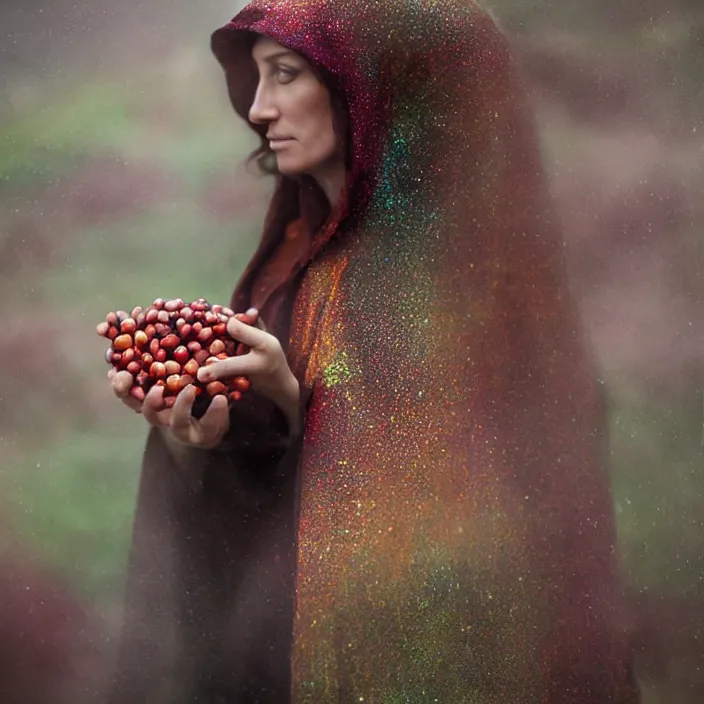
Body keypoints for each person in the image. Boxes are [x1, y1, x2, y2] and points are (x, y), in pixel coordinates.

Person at [106, 0, 640, 702]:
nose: (258, 109)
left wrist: (297, 405)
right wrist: (210, 434)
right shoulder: (292, 260)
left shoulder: (462, 279)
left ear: (375, 85)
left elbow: (445, 515)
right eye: (256, 78)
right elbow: (272, 522)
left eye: (286, 73)